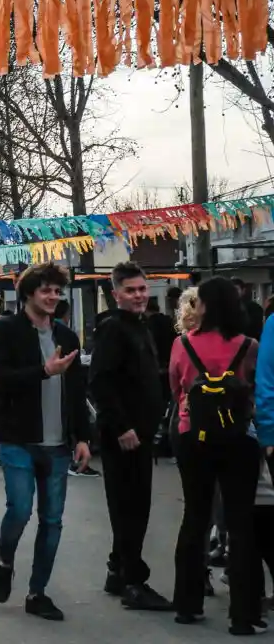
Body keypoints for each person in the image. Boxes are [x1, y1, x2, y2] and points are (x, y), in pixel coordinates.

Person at [0, 261, 91, 622]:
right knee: (19, 509)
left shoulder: (67, 337)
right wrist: (43, 371)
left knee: (53, 520)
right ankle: (4, 560)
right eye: (46, 290)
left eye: (57, 291)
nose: (52, 296)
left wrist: (83, 438)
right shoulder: (6, 330)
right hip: (19, 438)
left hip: (59, 444)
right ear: (28, 292)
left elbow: (77, 391)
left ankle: (37, 592)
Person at [169, 277, 263, 633]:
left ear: (205, 306)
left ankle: (187, 605)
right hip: (238, 439)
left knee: (195, 516)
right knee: (240, 525)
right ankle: (244, 615)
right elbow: (255, 386)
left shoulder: (182, 344)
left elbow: (176, 387)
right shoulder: (248, 345)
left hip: (193, 436)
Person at [89, 261, 172, 611]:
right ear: (115, 294)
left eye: (142, 289)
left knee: (132, 506)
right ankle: (134, 583)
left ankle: (117, 569)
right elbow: (100, 382)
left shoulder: (141, 326)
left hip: (141, 433)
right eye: (131, 290)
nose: (138, 295)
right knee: (131, 509)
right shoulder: (113, 329)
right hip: (126, 436)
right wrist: (121, 426)